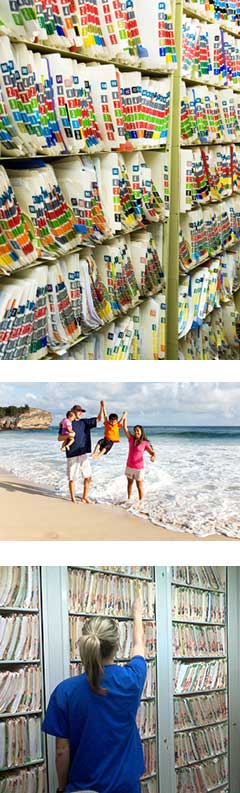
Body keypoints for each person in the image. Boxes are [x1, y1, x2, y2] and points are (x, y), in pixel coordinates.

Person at [42, 598, 146, 793]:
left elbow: (61, 751)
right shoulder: (132, 680)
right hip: (126, 785)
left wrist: (64, 788)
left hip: (83, 787)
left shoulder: (65, 691)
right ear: (116, 646)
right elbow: (139, 645)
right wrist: (137, 614)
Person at [58, 402, 103, 504]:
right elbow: (59, 438)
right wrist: (69, 436)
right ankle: (73, 498)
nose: (80, 413)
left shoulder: (84, 422)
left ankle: (85, 497)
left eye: (81, 411)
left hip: (83, 453)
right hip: (72, 454)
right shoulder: (66, 422)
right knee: (72, 478)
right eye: (78, 411)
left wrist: (102, 407)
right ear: (73, 412)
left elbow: (99, 419)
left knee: (88, 476)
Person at [123, 414, 156, 507]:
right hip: (129, 466)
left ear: (141, 432)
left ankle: (141, 502)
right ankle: (128, 499)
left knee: (139, 486)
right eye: (135, 430)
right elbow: (125, 428)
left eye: (138, 430)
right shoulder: (131, 439)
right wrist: (125, 417)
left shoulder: (145, 443)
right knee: (129, 483)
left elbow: (152, 452)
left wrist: (153, 457)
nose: (136, 432)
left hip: (139, 468)